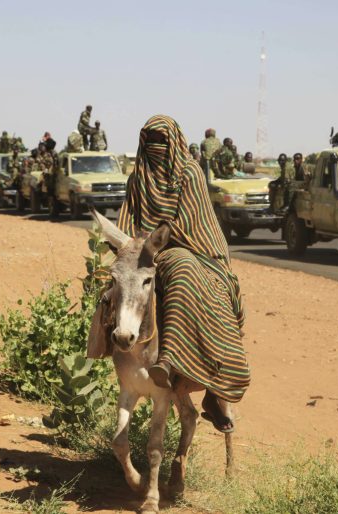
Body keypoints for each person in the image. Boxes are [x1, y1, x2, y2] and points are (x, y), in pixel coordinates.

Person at [114, 115, 249, 433]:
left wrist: (156, 245)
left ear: (174, 143)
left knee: (182, 271)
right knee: (114, 285)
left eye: (163, 143)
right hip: (146, 248)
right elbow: (127, 217)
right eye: (151, 143)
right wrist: (128, 249)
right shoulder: (139, 177)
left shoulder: (189, 173)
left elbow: (189, 224)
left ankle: (189, 372)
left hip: (193, 249)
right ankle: (109, 350)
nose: (157, 149)